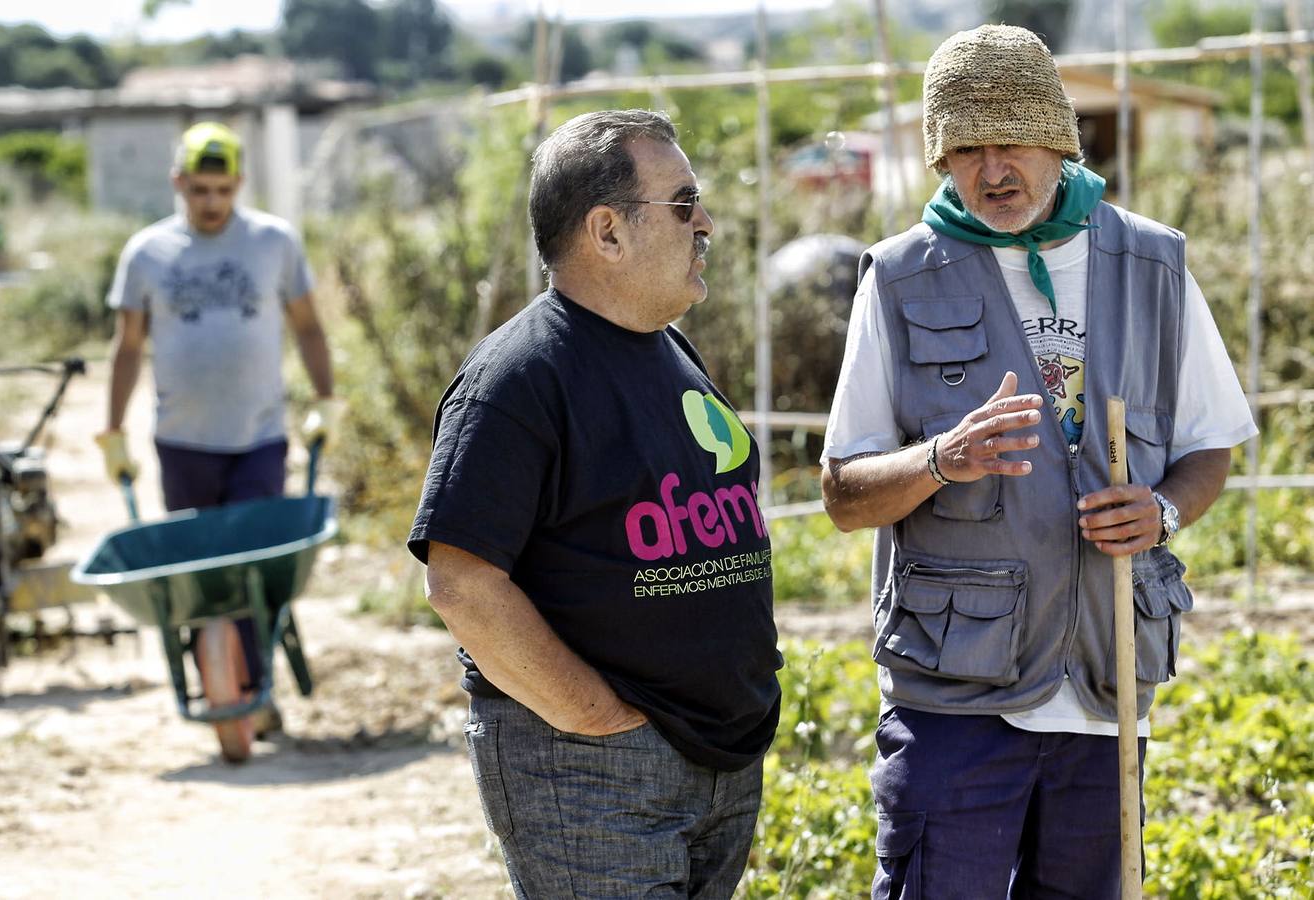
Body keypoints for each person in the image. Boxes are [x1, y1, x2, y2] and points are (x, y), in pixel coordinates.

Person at [820, 25, 1257, 898]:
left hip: (1106, 681)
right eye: (966, 150)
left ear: (1058, 139)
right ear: (940, 159)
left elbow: (1211, 442)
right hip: (955, 698)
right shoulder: (902, 278)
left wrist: (1163, 509)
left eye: (1010, 142)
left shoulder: (1152, 264)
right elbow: (843, 493)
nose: (991, 172)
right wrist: (942, 458)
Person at [408, 109, 782, 898]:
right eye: (684, 203)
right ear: (607, 231)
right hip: (597, 771)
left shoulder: (669, 349)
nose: (706, 223)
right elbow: (461, 583)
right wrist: (595, 718)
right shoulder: (518, 378)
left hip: (714, 761)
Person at [96, 121, 336, 735]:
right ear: (178, 181)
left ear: (238, 184)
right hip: (182, 441)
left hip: (258, 435)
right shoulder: (147, 252)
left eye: (222, 190)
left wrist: (326, 402)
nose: (211, 203)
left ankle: (255, 688)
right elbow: (127, 348)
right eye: (199, 189)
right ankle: (224, 688)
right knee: (201, 578)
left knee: (252, 568)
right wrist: (112, 430)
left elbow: (308, 327)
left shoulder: (273, 242)